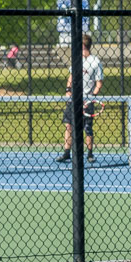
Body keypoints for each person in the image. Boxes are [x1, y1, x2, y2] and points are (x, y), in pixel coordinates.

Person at [56, 33, 102, 164]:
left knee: (87, 128)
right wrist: (68, 91)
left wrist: (90, 99)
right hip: (73, 100)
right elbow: (70, 78)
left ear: (83, 45)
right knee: (69, 125)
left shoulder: (95, 61)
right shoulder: (76, 59)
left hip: (87, 100)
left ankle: (90, 154)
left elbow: (99, 83)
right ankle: (66, 153)